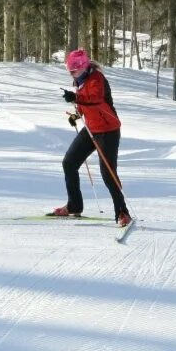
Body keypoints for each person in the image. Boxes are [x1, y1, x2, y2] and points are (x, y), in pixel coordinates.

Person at [51, 49, 131, 227]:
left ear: (83, 66)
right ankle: (74, 205)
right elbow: (85, 104)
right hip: (91, 128)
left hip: (108, 130)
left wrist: (76, 97)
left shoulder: (97, 78)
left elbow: (95, 98)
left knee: (107, 173)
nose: (71, 74)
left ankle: (122, 212)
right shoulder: (79, 80)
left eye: (74, 70)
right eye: (69, 70)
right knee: (69, 162)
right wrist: (77, 114)